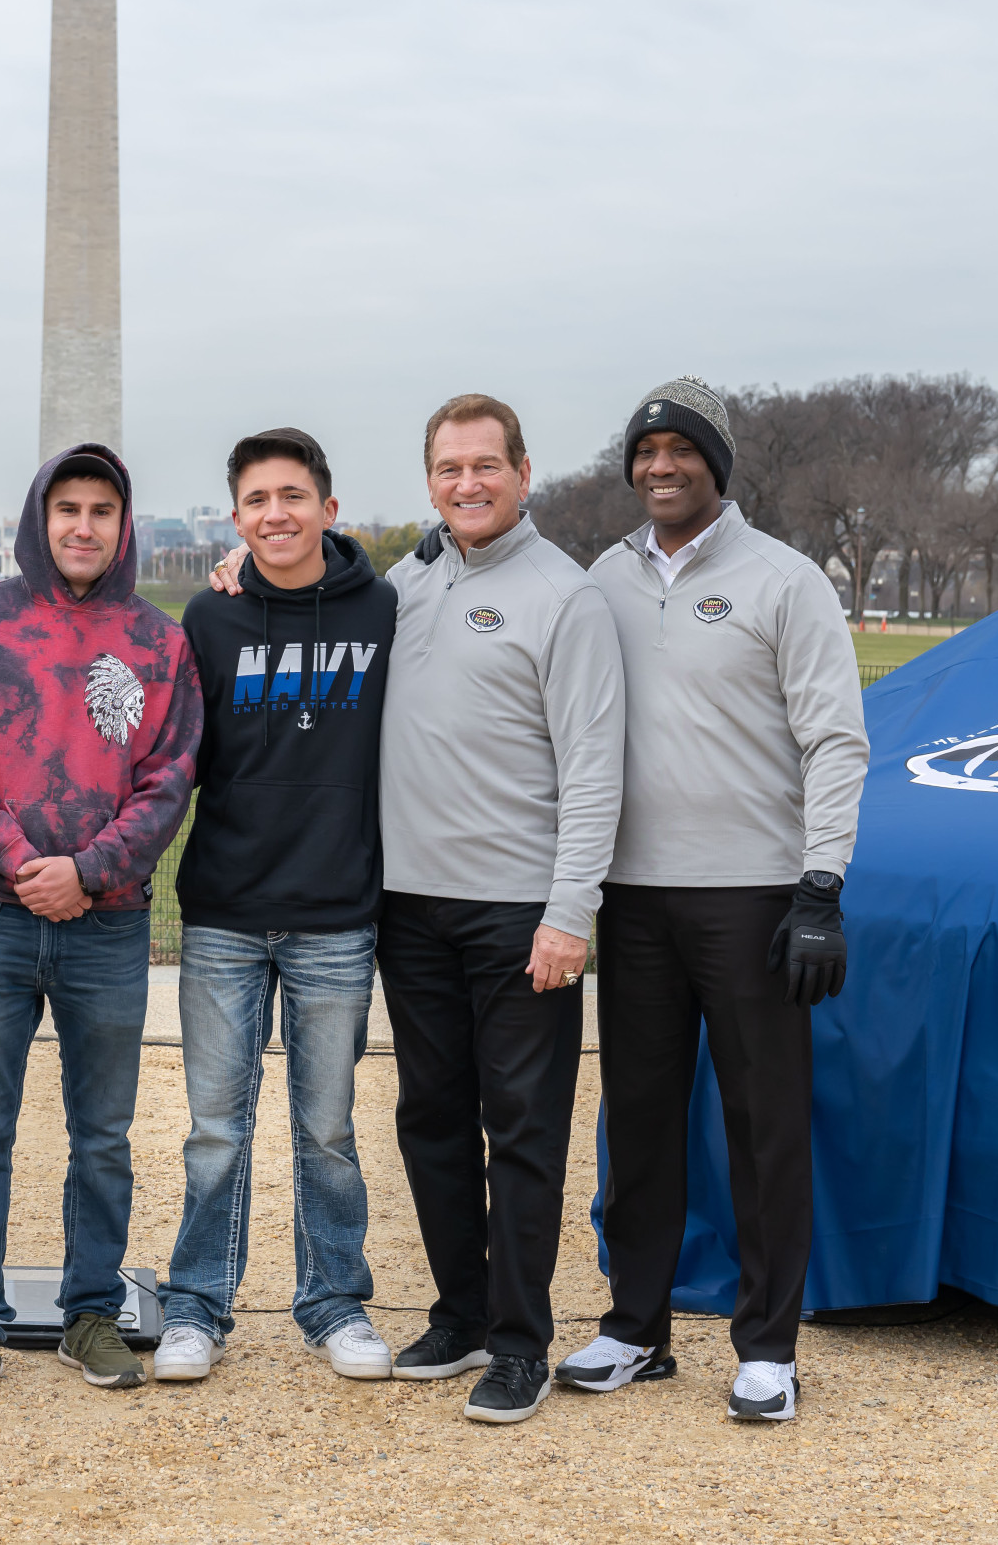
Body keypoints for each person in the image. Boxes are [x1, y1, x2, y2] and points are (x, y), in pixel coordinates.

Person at [558, 377, 867, 1423]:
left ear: (715, 464)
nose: (659, 465)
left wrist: (821, 882)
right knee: (639, 1117)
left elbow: (835, 738)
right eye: (644, 449)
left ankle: (769, 1344)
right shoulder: (601, 577)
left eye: (680, 448)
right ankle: (635, 1328)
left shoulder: (784, 580)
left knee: (762, 1123)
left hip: (754, 895)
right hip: (632, 896)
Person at [0, 443, 204, 1408]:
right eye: (66, 508)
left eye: (102, 511)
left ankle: (90, 1310)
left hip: (109, 922)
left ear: (125, 526)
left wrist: (89, 871)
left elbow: (170, 779)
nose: (83, 526)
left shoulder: (159, 643)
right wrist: (22, 866)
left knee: (104, 1133)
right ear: (39, 517)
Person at [375, 392, 624, 1426]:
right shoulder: (400, 583)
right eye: (448, 467)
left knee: (520, 1130)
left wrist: (569, 912)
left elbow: (596, 767)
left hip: (520, 910)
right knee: (430, 1118)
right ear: (428, 478)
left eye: (485, 465)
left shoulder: (564, 596)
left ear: (522, 472)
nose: (467, 483)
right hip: (407, 904)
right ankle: (462, 1310)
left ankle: (521, 1340)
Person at [154, 429, 397, 1385]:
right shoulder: (206, 621)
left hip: (336, 910)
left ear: (329, 510)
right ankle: (197, 1306)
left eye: (294, 496)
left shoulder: (383, 609)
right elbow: (177, 765)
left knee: (327, 1126)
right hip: (223, 910)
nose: (276, 514)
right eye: (257, 500)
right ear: (236, 516)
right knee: (216, 1122)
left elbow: (452, 558)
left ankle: (334, 1301)